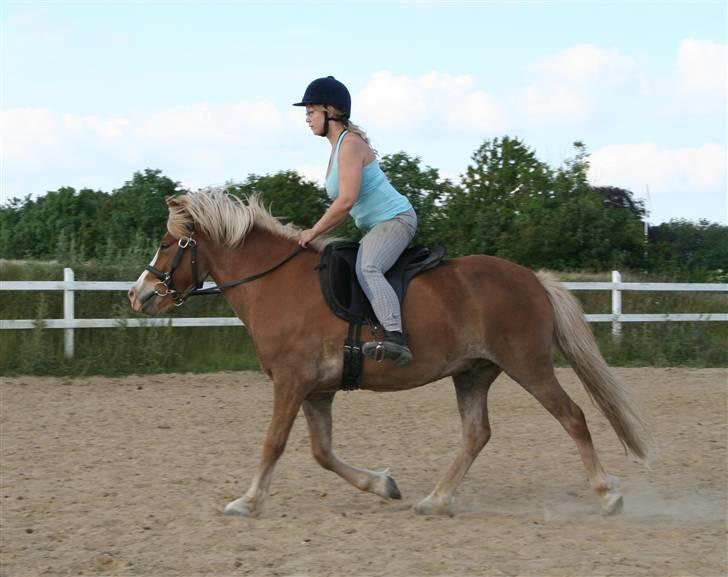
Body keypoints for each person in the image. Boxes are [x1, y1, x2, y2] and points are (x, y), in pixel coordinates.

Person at [293, 76, 418, 366]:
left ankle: (396, 338)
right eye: (307, 113)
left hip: (397, 219)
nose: (307, 119)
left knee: (368, 266)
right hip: (380, 225)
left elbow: (345, 202)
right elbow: (345, 207)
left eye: (311, 111)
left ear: (330, 111)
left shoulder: (350, 145)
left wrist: (313, 231)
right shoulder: (337, 148)